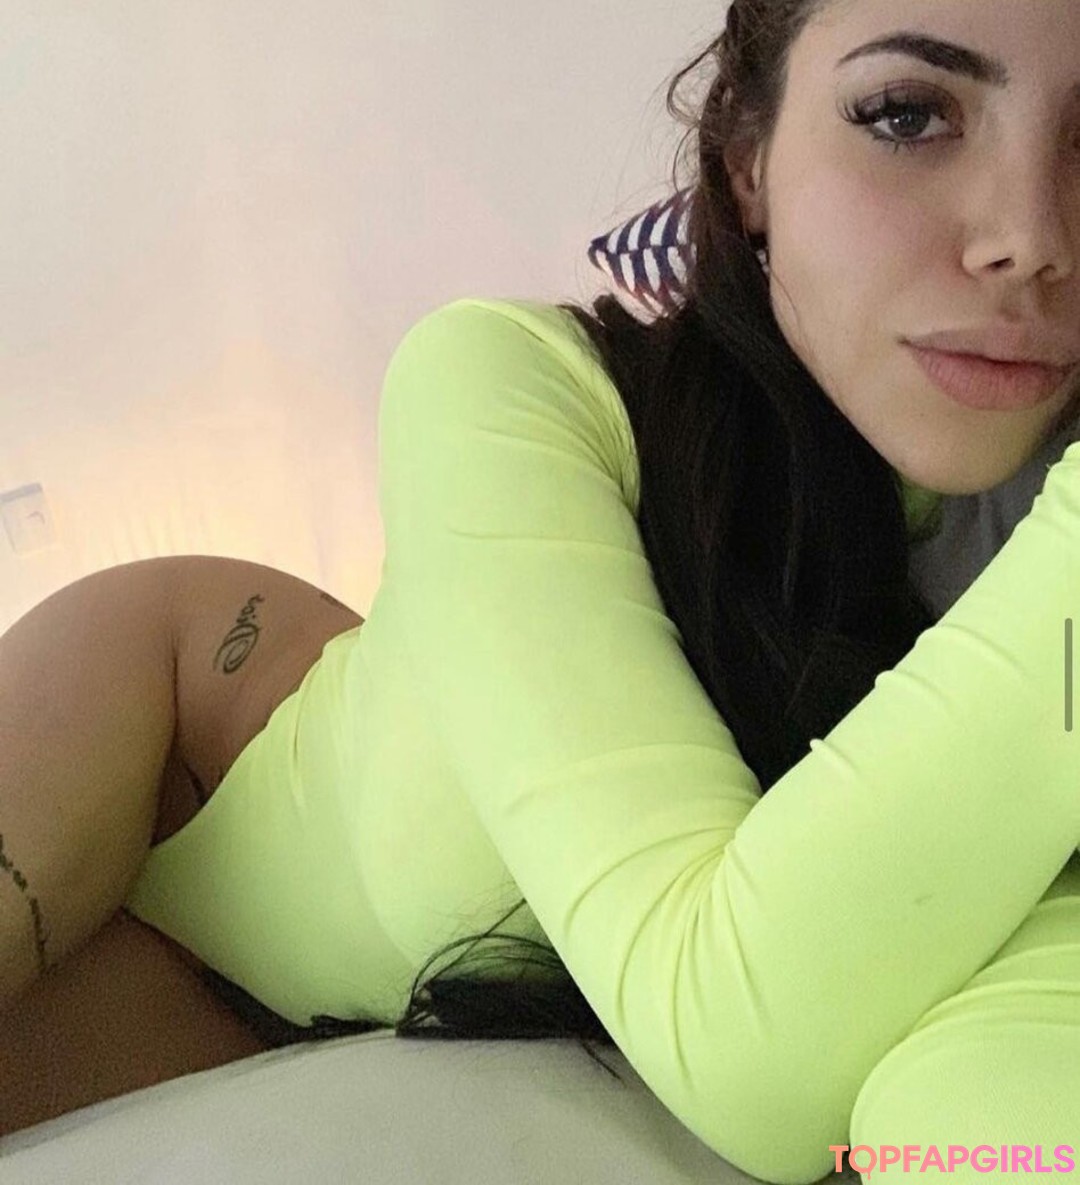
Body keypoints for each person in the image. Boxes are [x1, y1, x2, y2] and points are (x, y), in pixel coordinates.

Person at [3, 0, 1080, 1179]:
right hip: (180, 737)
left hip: (291, 976)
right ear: (748, 160)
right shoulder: (517, 378)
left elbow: (981, 1104)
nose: (1030, 238)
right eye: (907, 115)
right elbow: (743, 1046)